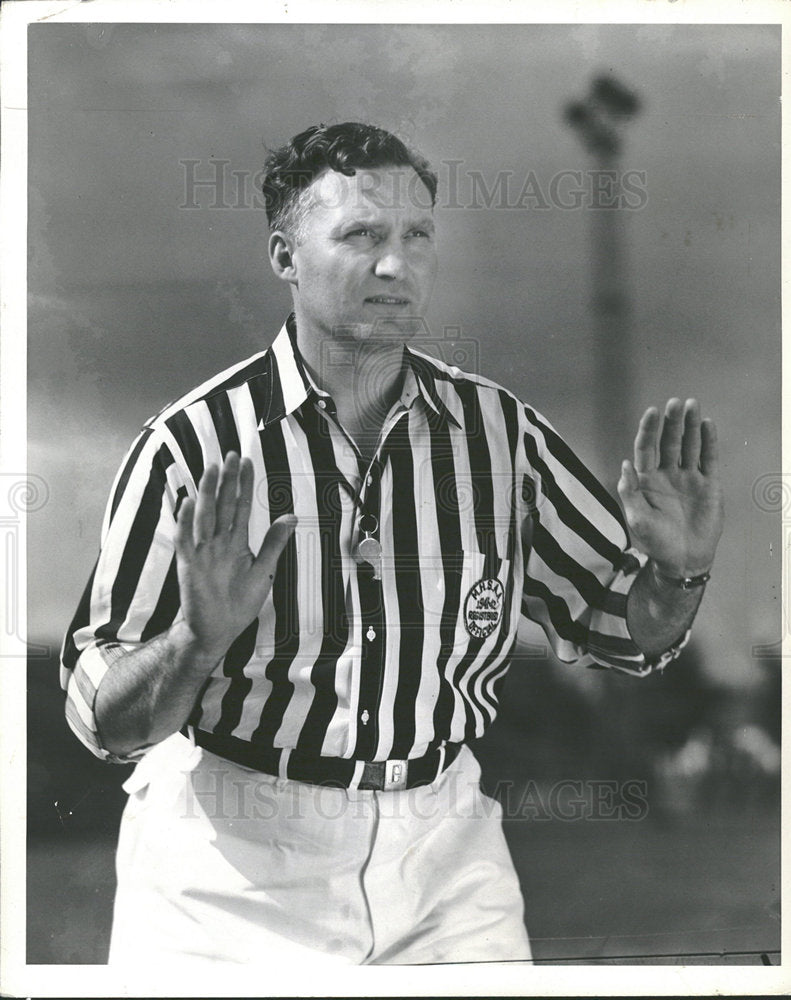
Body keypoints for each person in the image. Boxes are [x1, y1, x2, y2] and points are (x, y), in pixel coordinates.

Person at [60, 121, 724, 967]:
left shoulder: (501, 434)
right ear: (284, 257)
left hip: (444, 855)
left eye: (416, 236)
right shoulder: (193, 446)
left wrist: (680, 568)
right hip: (226, 869)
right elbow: (105, 720)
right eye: (361, 236)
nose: (395, 264)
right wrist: (196, 642)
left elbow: (625, 630)